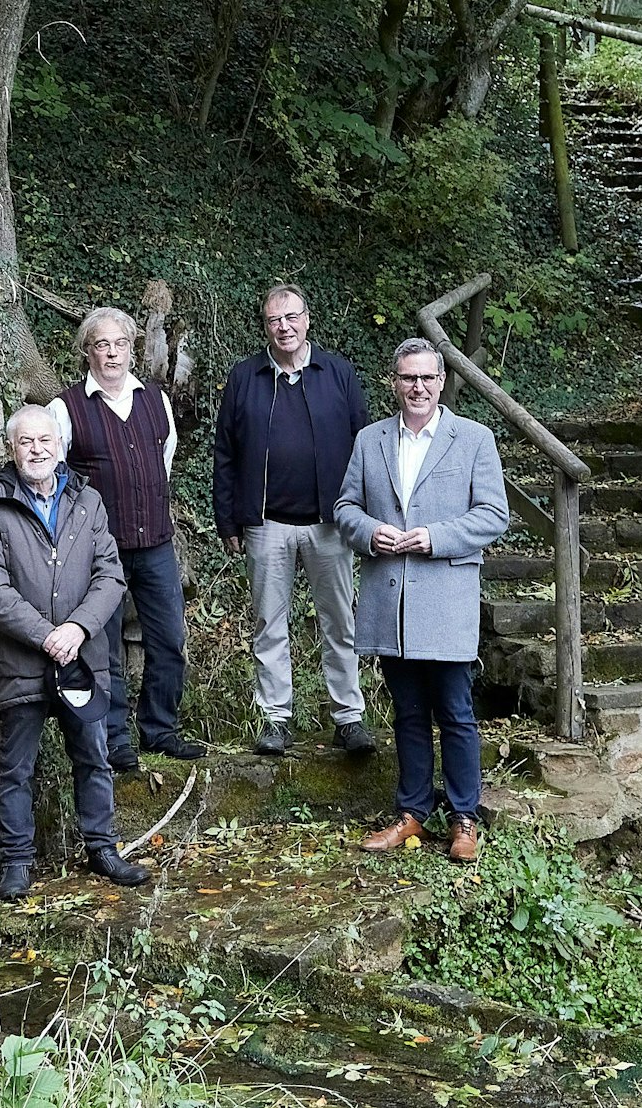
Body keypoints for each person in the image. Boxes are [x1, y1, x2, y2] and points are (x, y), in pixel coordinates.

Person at [0, 405, 153, 901]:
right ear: (12, 449)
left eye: (45, 440)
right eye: (26, 442)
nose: (37, 449)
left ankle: (103, 848)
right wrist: (46, 634)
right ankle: (17, 863)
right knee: (15, 767)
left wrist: (78, 628)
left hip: (81, 659)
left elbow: (110, 575)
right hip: (23, 660)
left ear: (61, 445)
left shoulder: (87, 500)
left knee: (93, 756)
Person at [333, 338, 510, 863]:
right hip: (392, 602)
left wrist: (434, 536)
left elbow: (492, 515)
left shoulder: (473, 438)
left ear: (442, 382)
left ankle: (463, 818)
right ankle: (411, 813)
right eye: (408, 378)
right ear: (395, 383)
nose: (418, 387)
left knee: (455, 712)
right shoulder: (370, 440)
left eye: (427, 378)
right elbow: (345, 506)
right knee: (407, 713)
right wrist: (369, 533)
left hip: (446, 598)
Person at [212, 284, 374, 757]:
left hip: (331, 523)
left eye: (292, 317)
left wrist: (362, 518)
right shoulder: (245, 377)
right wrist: (229, 521)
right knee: (269, 624)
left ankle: (348, 718)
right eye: (274, 320)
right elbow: (225, 453)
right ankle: (276, 720)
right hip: (266, 526)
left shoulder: (338, 372)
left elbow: (365, 448)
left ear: (307, 320)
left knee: (340, 622)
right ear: (265, 326)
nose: (283, 327)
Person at [47, 308, 206, 770]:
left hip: (156, 544)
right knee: (104, 646)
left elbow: (165, 461)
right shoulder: (66, 407)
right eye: (101, 344)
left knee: (169, 639)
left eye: (119, 343)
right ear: (87, 351)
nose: (111, 352)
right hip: (100, 552)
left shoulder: (156, 399)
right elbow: (57, 479)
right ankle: (115, 739)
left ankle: (160, 730)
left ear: (132, 348)